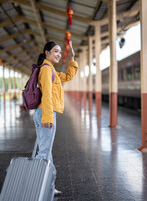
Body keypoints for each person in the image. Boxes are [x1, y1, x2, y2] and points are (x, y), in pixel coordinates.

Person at [33, 41, 78, 195]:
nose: (58, 54)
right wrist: (47, 117)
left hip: (46, 112)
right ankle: (37, 188)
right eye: (55, 51)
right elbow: (46, 94)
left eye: (60, 52)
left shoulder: (51, 69)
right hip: (46, 112)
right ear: (47, 53)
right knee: (44, 153)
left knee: (47, 151)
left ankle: (49, 188)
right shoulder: (46, 70)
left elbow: (68, 76)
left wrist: (72, 57)